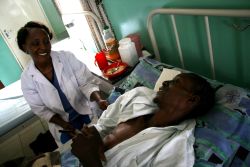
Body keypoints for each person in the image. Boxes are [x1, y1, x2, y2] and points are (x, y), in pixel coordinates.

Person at [71, 73, 215, 167]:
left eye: (175, 82)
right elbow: (102, 126)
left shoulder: (176, 150)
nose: (165, 82)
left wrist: (90, 161)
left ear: (191, 100)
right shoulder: (138, 95)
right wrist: (90, 136)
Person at [17, 21, 108, 145]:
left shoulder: (67, 58)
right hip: (62, 124)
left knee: (103, 138)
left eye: (46, 41)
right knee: (78, 151)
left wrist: (99, 100)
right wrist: (66, 125)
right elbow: (41, 109)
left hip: (86, 109)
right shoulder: (27, 79)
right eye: (35, 43)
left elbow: (86, 82)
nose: (43, 47)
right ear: (25, 48)